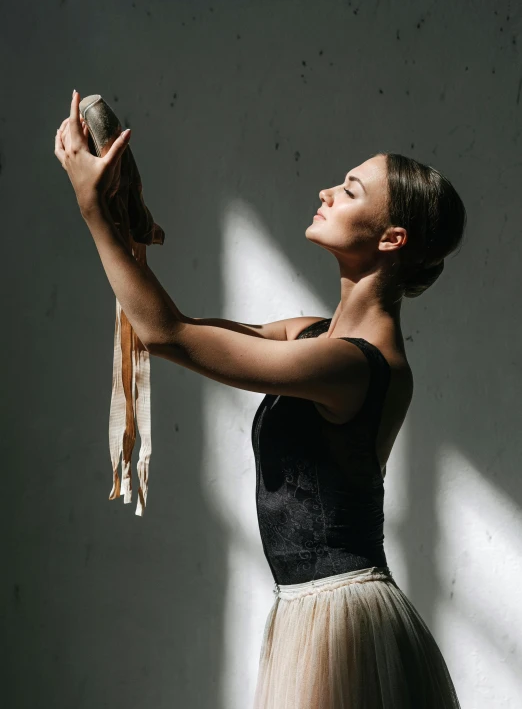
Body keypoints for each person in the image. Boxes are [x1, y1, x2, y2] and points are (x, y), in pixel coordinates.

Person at [56, 105, 464, 707]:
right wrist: (127, 227)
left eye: (350, 190)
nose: (326, 190)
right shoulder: (309, 336)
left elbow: (169, 335)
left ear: (390, 238)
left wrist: (92, 211)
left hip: (342, 625)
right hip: (308, 615)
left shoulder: (354, 365)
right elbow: (166, 326)